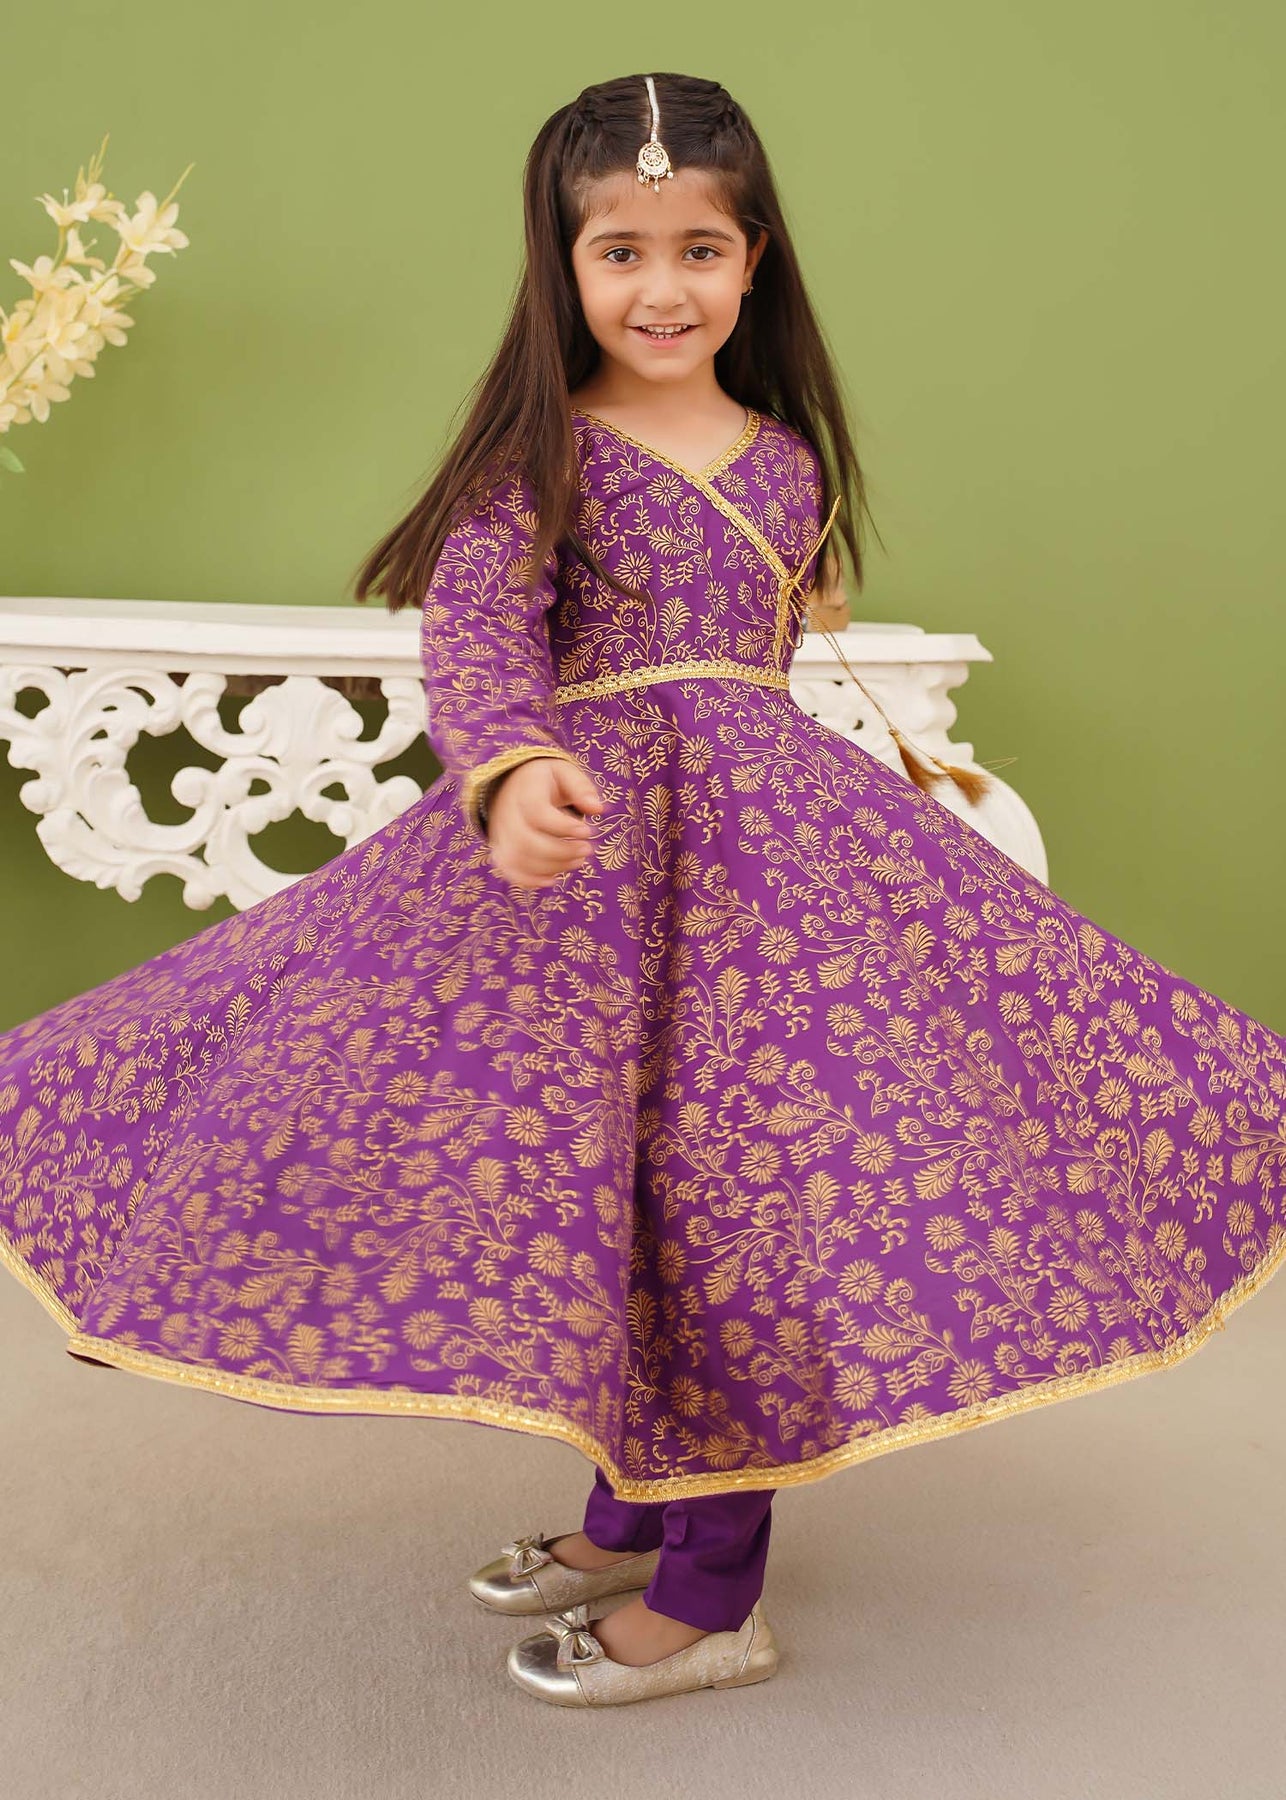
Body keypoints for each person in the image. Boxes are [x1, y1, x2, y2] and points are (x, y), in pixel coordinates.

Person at [2, 72, 1284, 1710]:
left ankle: (712, 1592)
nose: (661, 288)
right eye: (620, 251)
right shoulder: (537, 457)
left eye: (699, 249)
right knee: (607, 1193)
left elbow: (763, 651)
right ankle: (626, 1513)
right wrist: (510, 767)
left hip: (773, 893)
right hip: (590, 884)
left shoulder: (786, 462)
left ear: (754, 261)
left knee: (729, 1203)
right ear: (564, 265)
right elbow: (476, 636)